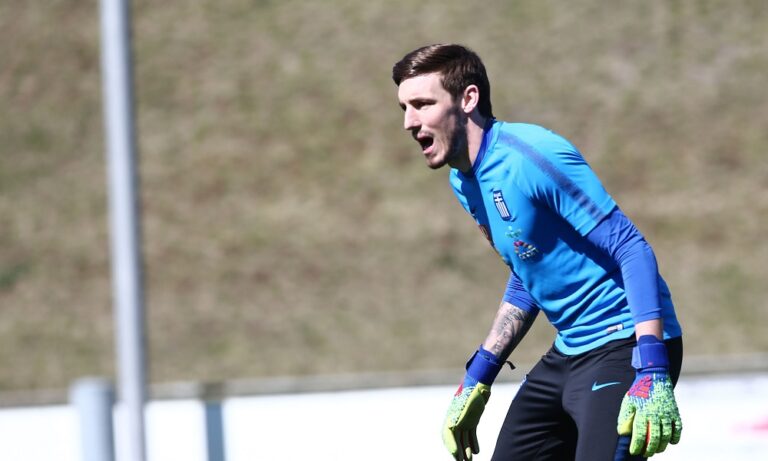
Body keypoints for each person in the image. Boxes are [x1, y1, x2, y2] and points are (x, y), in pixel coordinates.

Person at [391, 44, 683, 461]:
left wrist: (652, 366)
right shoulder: (464, 182)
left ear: (468, 99)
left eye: (422, 104)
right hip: (569, 351)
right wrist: (478, 375)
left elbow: (631, 248)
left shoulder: (530, 156)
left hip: (626, 347)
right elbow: (527, 270)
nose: (409, 121)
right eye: (404, 108)